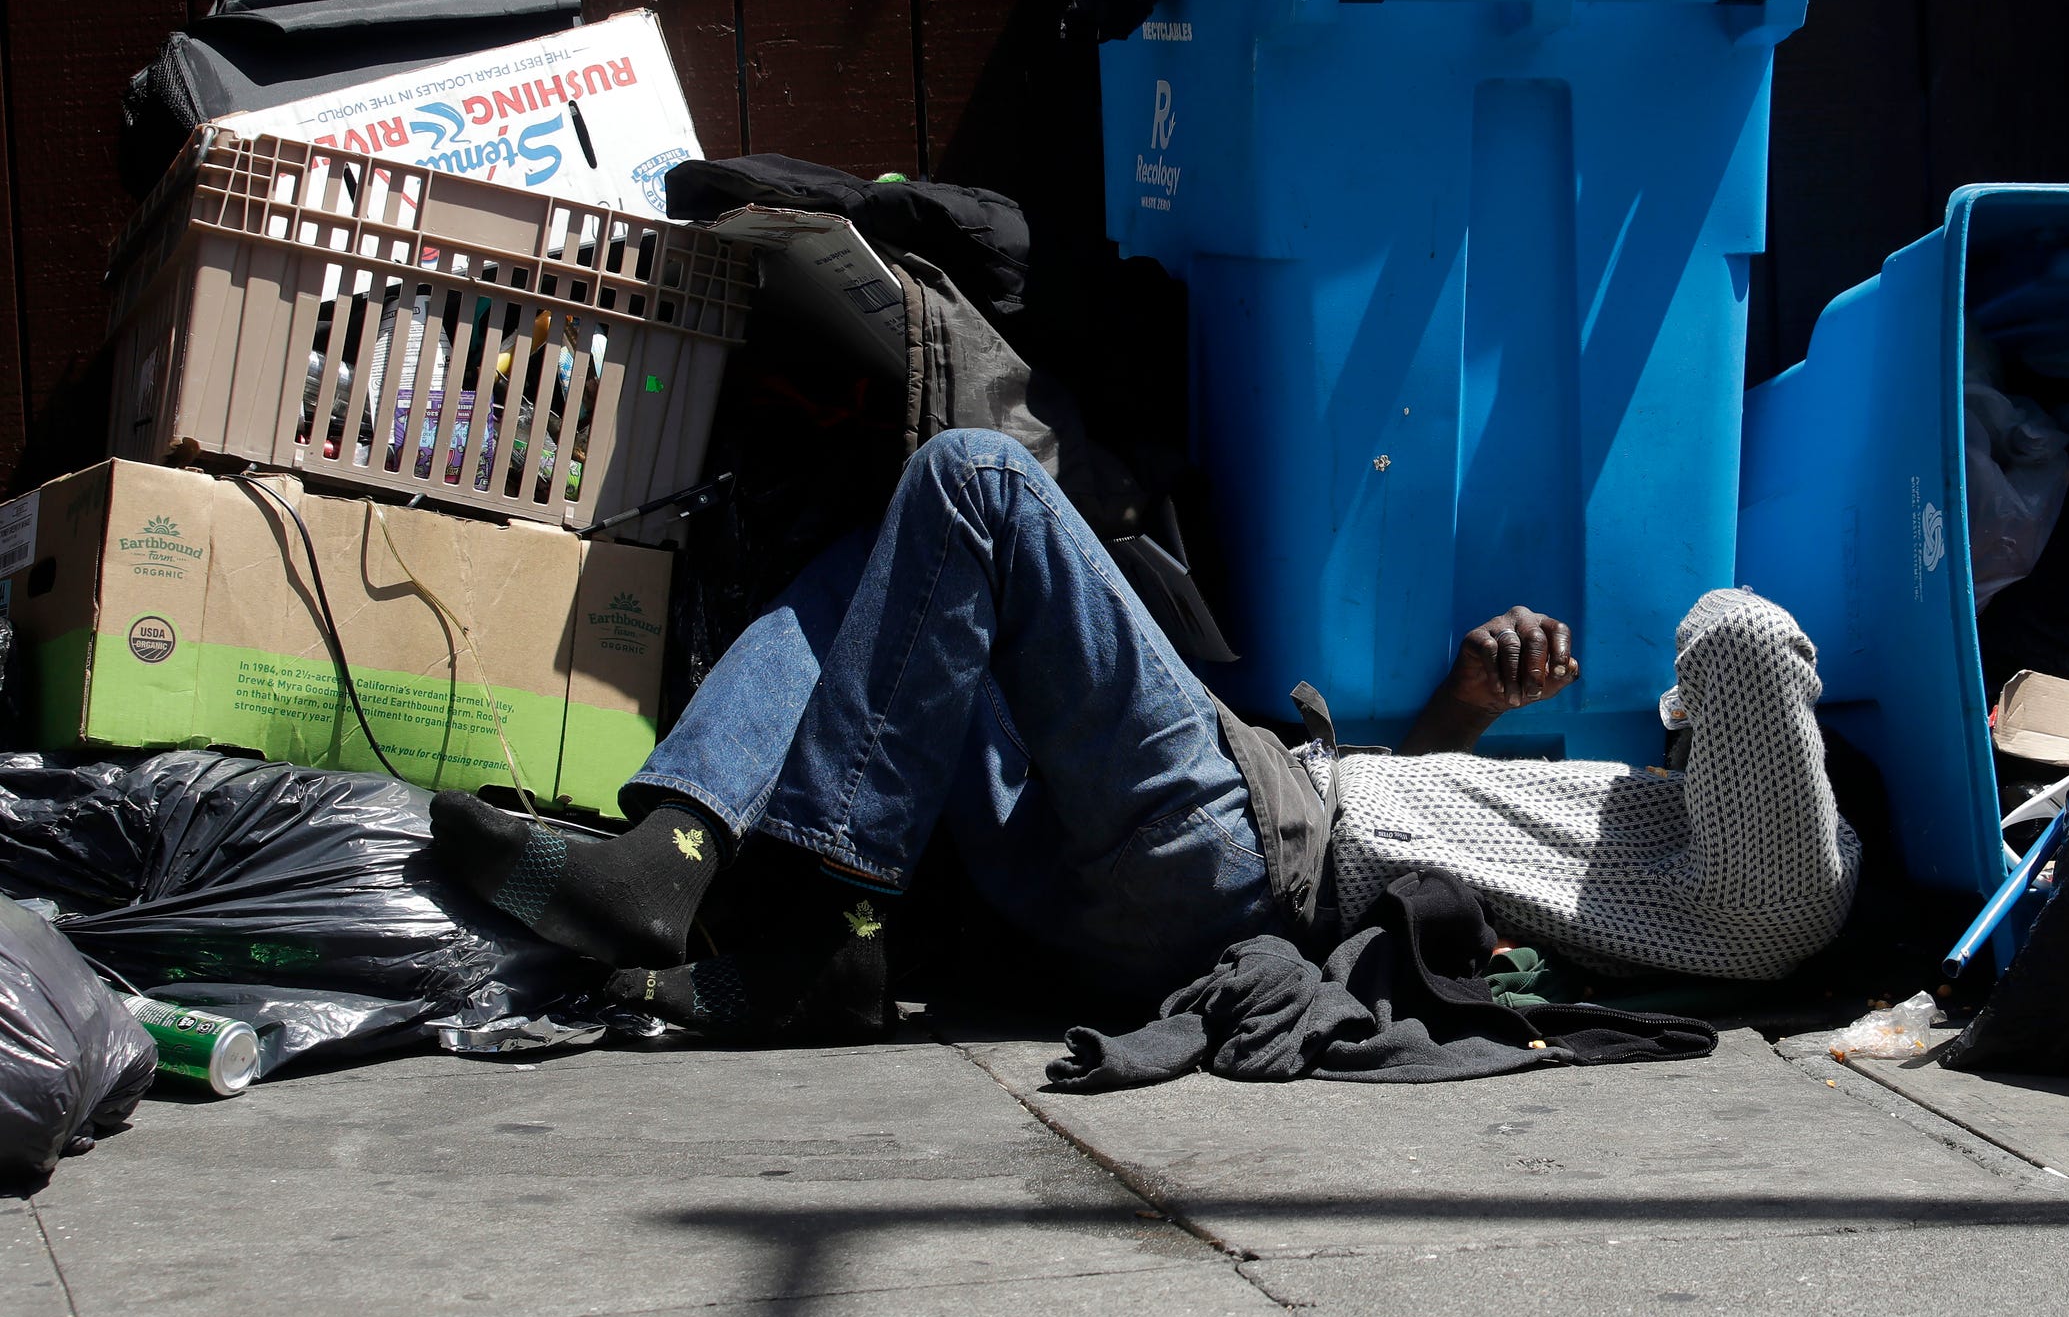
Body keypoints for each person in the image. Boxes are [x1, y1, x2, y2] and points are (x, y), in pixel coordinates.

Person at [430, 429, 1860, 1037]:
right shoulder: (1654, 869)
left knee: (977, 481)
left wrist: (1704, 706)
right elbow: (1412, 838)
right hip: (1219, 861)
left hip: (1237, 854)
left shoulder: (1781, 896)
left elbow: (1735, 635)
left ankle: (806, 922)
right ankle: (679, 850)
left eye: (1716, 747)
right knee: (903, 555)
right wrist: (1466, 713)